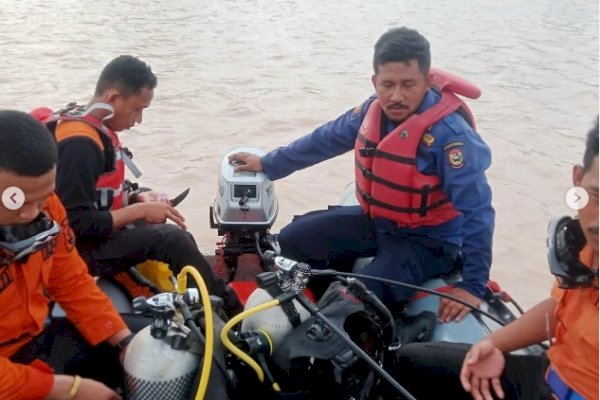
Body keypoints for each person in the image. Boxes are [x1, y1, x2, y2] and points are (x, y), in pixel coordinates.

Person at [229, 27, 494, 320]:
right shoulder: (372, 111)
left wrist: (473, 285)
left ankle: (346, 327)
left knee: (359, 298)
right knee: (294, 239)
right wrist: (268, 164)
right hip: (378, 223)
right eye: (387, 84)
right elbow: (323, 141)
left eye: (408, 85)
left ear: (428, 81)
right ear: (374, 81)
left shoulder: (451, 137)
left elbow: (478, 211)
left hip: (429, 241)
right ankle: (308, 313)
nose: (396, 96)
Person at [394, 118, 599, 400]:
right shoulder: (583, 249)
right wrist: (494, 343)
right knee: (409, 363)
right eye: (597, 195)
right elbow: (560, 305)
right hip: (550, 374)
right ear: (578, 178)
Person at [37, 55, 241, 316]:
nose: (139, 119)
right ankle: (233, 312)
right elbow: (75, 224)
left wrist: (136, 198)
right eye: (137, 109)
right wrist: (140, 212)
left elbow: (99, 194)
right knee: (171, 239)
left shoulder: (87, 122)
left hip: (87, 238)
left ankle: (198, 302)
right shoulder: (80, 145)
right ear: (112, 99)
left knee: (168, 225)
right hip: (71, 253)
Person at [0, 110, 134, 399]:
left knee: (151, 346)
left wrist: (123, 340)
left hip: (34, 340)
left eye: (42, 198)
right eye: (17, 201)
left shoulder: (46, 208)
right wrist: (68, 389)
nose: (31, 213)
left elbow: (70, 280)